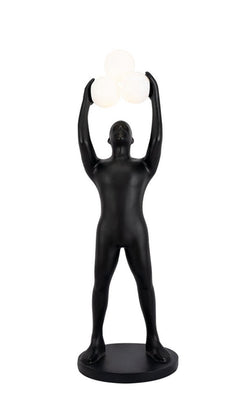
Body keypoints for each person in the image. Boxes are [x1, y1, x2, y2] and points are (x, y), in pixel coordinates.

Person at [78, 72, 170, 364]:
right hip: (106, 233)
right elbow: (83, 141)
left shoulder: (143, 167)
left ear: (132, 139)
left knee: (145, 284)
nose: (120, 129)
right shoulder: (98, 168)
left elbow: (157, 138)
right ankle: (96, 341)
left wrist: (155, 99)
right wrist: (85, 104)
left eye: (124, 128)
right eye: (115, 128)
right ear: (108, 139)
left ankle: (153, 340)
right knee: (100, 285)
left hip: (135, 233)